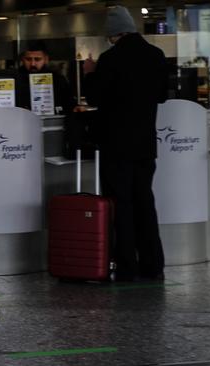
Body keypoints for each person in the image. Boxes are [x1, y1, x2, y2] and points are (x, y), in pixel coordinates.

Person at [83, 6, 169, 282]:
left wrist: (90, 73)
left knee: (121, 204)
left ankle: (127, 266)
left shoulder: (110, 59)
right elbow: (162, 96)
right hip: (145, 145)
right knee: (145, 201)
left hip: (116, 145)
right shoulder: (156, 55)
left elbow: (95, 98)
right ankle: (153, 265)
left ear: (112, 33)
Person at [16, 40, 75, 115]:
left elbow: (70, 104)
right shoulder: (15, 79)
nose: (33, 64)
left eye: (37, 59)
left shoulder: (57, 79)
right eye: (28, 59)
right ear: (22, 59)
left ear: (46, 59)